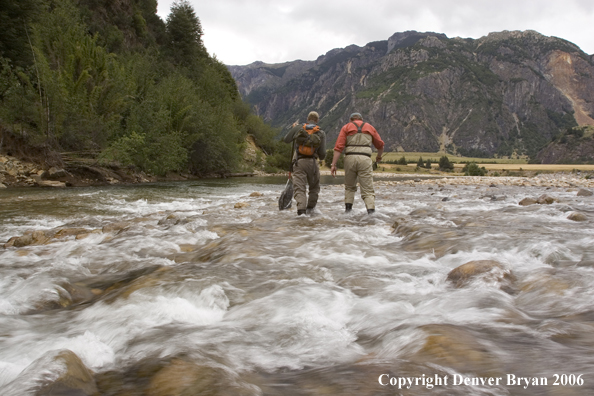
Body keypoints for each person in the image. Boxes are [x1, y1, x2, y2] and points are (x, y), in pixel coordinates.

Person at [330, 112, 384, 214]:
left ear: (351, 120)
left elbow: (338, 147)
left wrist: (333, 164)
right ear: (361, 119)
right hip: (365, 159)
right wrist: (379, 157)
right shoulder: (370, 127)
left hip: (350, 158)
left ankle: (348, 212)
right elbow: (380, 145)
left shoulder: (346, 127)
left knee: (350, 187)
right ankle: (371, 213)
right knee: (367, 189)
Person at [284, 111, 326, 215]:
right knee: (314, 188)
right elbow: (323, 154)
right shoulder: (320, 132)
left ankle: (301, 213)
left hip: (299, 162)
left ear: (308, 119)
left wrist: (294, 129)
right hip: (313, 162)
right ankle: (311, 210)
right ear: (317, 120)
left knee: (300, 188)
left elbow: (286, 140)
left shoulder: (299, 128)